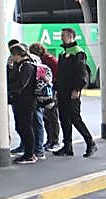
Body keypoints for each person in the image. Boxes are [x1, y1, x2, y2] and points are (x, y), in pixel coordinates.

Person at [54, 28, 97, 158]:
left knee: (75, 118)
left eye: (64, 35)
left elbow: (82, 74)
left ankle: (90, 143)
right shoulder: (63, 53)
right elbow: (60, 74)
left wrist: (78, 89)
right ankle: (67, 147)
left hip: (72, 92)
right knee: (64, 119)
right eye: (61, 35)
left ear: (71, 37)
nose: (62, 37)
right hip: (62, 91)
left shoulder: (78, 53)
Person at [7, 44, 39, 164]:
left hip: (26, 101)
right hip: (19, 101)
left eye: (12, 55)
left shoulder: (27, 67)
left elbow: (21, 84)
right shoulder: (18, 66)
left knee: (26, 127)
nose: (11, 57)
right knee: (21, 126)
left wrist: (8, 89)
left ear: (17, 55)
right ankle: (27, 152)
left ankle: (30, 154)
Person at [28, 42, 62, 152]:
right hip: (44, 92)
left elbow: (56, 75)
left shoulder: (50, 60)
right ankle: (49, 140)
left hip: (51, 91)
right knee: (46, 118)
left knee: (53, 117)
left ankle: (55, 141)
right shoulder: (42, 60)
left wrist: (55, 90)